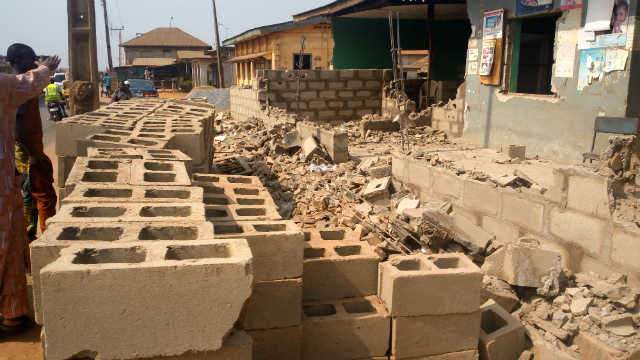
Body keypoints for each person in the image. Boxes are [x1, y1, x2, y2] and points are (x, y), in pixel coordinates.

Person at [0, 54, 60, 334]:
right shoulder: (7, 87)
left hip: (11, 172)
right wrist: (46, 68)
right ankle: (12, 314)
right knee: (8, 244)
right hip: (6, 177)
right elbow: (30, 83)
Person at [6, 43, 59, 239]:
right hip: (27, 156)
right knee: (41, 197)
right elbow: (18, 128)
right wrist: (35, 156)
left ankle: (31, 238)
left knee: (33, 197)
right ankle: (43, 240)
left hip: (30, 152)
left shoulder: (24, 87)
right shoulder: (19, 89)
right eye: (32, 59)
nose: (35, 63)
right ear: (18, 62)